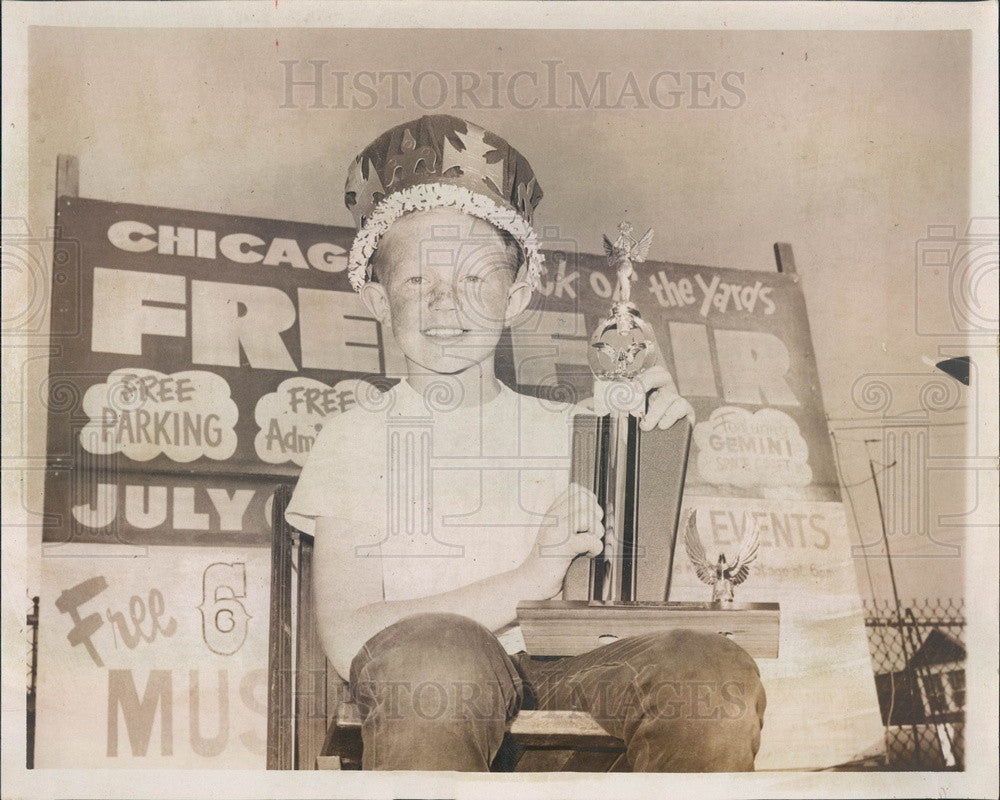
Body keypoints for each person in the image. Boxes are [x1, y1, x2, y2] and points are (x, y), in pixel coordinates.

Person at [286, 114, 765, 772]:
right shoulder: (356, 438)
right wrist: (526, 579)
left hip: (567, 684)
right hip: (434, 695)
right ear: (376, 299)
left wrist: (653, 449)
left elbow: (638, 617)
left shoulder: (577, 428)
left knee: (707, 671)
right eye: (419, 282)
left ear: (516, 297)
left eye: (476, 281)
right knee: (439, 656)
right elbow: (348, 638)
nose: (447, 305)